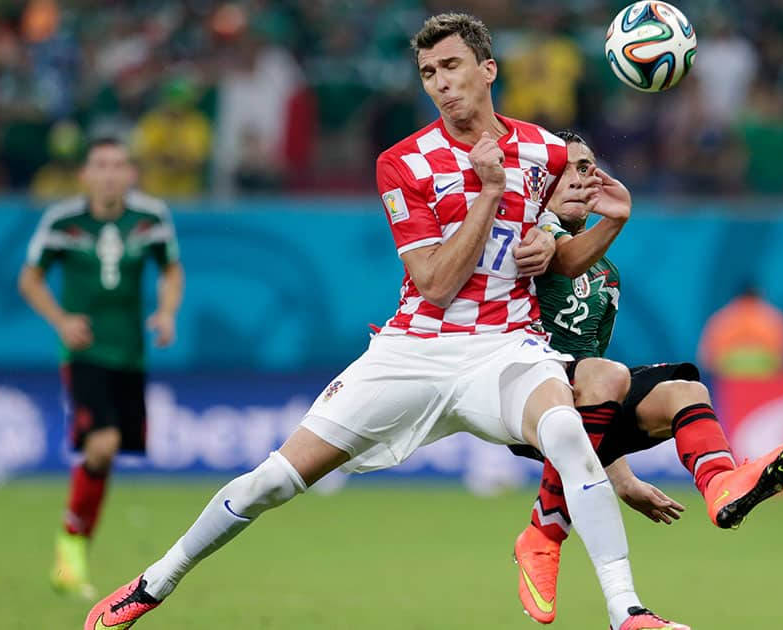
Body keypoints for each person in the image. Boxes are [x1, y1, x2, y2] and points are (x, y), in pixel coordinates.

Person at [85, 14, 686, 630]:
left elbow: (558, 254)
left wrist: (592, 228)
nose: (441, 84)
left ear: (488, 70)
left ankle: (627, 612)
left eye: (452, 67)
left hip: (507, 348)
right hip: (413, 352)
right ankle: (154, 583)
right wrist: (488, 192)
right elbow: (434, 282)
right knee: (274, 480)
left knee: (565, 432)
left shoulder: (548, 151)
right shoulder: (404, 163)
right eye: (428, 73)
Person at [509, 132, 783, 624]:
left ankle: (720, 483)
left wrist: (622, 480)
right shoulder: (532, 233)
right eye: (572, 167)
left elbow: (597, 387)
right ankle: (545, 529)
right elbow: (562, 257)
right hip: (525, 394)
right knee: (604, 375)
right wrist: (616, 218)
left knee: (687, 391)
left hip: (582, 393)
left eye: (590, 168)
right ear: (543, 178)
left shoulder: (607, 275)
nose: (584, 179)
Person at [18, 136, 184, 600]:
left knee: (106, 454)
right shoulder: (63, 221)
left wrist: (167, 311)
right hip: (84, 353)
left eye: (118, 165)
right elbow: (29, 278)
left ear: (130, 174)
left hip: (130, 353)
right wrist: (61, 320)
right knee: (103, 444)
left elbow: (171, 270)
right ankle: (70, 550)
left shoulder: (150, 218)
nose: (110, 173)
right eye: (101, 165)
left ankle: (74, 545)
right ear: (85, 175)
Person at [697, 283, 783, 378]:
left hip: (729, 374)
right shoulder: (773, 316)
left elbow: (706, 357)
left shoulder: (722, 316)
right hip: (765, 373)